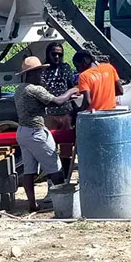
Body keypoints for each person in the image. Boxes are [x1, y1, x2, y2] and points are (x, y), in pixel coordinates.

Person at [14, 56, 79, 211]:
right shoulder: (35, 89)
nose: (42, 75)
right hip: (36, 133)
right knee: (55, 167)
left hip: (22, 131)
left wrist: (68, 98)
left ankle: (32, 204)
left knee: (29, 170)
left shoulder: (20, 89)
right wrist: (71, 90)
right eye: (39, 72)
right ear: (32, 74)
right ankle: (62, 204)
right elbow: (56, 101)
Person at [41, 42, 75, 173]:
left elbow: (71, 85)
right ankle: (52, 176)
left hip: (65, 113)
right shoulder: (43, 70)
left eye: (59, 54)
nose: (56, 57)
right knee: (49, 147)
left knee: (66, 148)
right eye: (53, 54)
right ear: (48, 54)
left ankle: (65, 175)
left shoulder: (65, 68)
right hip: (49, 114)